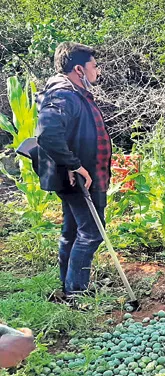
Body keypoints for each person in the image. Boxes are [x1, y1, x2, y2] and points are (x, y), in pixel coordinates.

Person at [35, 42, 110, 298]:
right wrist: (75, 165)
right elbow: (47, 133)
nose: (97, 72)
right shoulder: (64, 95)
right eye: (94, 66)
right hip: (81, 178)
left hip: (80, 177)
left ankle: (68, 288)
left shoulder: (72, 93)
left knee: (72, 231)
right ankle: (77, 293)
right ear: (79, 69)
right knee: (91, 233)